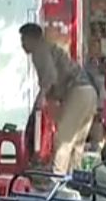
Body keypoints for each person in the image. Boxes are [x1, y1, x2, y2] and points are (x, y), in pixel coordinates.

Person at [21, 23, 99, 173]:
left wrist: (41, 97)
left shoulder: (39, 50)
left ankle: (57, 177)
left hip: (77, 91)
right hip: (89, 92)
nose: (22, 44)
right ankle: (74, 177)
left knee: (63, 139)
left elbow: (50, 77)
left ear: (32, 38)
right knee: (76, 142)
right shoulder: (49, 47)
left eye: (23, 39)